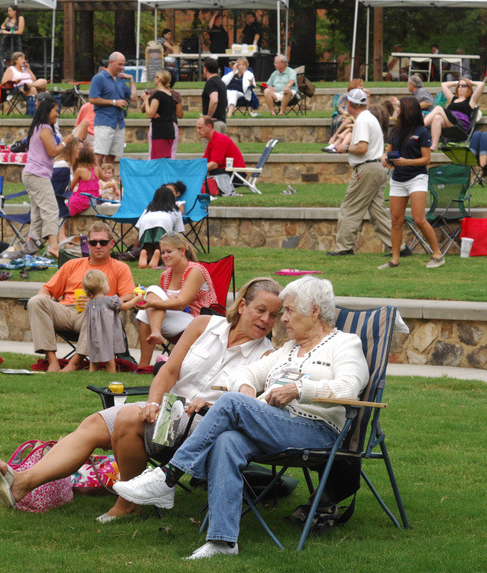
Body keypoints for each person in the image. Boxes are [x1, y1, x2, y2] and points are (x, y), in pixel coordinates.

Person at [0, 276, 282, 519]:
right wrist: (153, 402)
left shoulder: (267, 356)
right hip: (169, 409)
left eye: (274, 315)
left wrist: (210, 405)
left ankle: (128, 502)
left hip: (204, 426)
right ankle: (21, 483)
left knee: (128, 418)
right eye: (261, 310)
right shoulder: (204, 325)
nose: (266, 319)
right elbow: (168, 371)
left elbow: (248, 407)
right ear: (241, 305)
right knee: (94, 424)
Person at [112, 275, 366, 560]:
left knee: (232, 403)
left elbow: (349, 387)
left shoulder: (344, 344)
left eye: (289, 310)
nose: (282, 318)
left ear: (315, 311)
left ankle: (168, 476)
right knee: (228, 441)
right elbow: (242, 374)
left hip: (317, 431)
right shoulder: (289, 349)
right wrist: (246, 387)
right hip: (275, 424)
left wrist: (299, 388)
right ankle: (223, 541)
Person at [24, 221, 136, 371]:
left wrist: (100, 301)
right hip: (65, 312)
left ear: (111, 244)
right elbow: (46, 289)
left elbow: (128, 296)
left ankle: (74, 363)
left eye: (103, 242)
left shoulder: (120, 268)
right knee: (35, 301)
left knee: (96, 311)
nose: (98, 246)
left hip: (92, 315)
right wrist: (44, 296)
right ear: (88, 244)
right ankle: (52, 361)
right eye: (93, 242)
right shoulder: (72, 265)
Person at [327, 88, 393, 258]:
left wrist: (344, 148)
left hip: (367, 169)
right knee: (378, 214)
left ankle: (344, 248)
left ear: (349, 104)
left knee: (349, 209)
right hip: (377, 168)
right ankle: (399, 247)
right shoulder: (369, 117)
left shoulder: (362, 120)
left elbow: (362, 148)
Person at [135, 233, 217, 368]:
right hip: (180, 322)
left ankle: (155, 335)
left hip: (200, 322)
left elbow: (181, 304)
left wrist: (152, 303)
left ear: (182, 251)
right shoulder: (165, 276)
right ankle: (143, 366)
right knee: (145, 311)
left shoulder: (195, 270)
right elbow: (163, 303)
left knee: (151, 297)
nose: (165, 255)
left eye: (169, 251)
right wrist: (160, 301)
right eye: (163, 252)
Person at [17, 97, 63, 257]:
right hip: (37, 175)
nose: (58, 114)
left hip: (31, 174)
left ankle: (30, 249)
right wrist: (67, 141)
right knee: (51, 209)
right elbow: (53, 152)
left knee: (37, 215)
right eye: (56, 111)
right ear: (47, 111)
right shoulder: (45, 129)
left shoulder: (37, 127)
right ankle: (54, 246)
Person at [88, 51, 136, 165]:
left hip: (119, 123)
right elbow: (92, 99)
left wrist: (131, 80)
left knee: (111, 158)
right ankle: (94, 177)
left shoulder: (120, 80)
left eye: (123, 65)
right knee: (99, 156)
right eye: (119, 64)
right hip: (104, 122)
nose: (122, 67)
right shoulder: (99, 78)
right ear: (111, 62)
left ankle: (107, 177)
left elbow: (134, 97)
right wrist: (114, 102)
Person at [423, 78, 485, 149]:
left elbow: (481, 84)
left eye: (463, 85)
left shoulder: (471, 100)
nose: (460, 87)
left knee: (438, 108)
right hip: (450, 121)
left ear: (469, 88)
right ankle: (434, 145)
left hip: (460, 124)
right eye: (459, 85)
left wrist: (470, 82)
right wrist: (457, 82)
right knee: (437, 118)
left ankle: (419, 126)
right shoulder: (453, 99)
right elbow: (444, 85)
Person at [81, 269, 123, 374]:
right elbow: (125, 306)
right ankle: (112, 375)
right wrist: (137, 300)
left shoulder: (88, 304)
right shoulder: (109, 301)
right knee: (110, 357)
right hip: (108, 334)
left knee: (94, 356)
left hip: (94, 336)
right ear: (102, 286)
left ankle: (91, 374)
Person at [136, 185, 184, 269]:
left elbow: (138, 225)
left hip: (146, 223)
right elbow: (179, 231)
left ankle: (146, 255)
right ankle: (158, 257)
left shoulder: (148, 209)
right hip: (164, 223)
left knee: (148, 246)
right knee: (160, 245)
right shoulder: (175, 210)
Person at [139, 69, 180, 159]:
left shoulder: (158, 94)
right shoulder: (169, 94)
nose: (154, 79)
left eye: (155, 77)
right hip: (169, 130)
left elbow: (150, 114)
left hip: (160, 132)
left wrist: (146, 100)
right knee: (166, 158)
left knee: (157, 160)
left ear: (159, 79)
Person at [66, 143, 99, 217]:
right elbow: (104, 177)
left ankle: (61, 224)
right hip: (93, 200)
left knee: (62, 209)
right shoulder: (96, 169)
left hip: (83, 200)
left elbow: (71, 187)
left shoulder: (80, 170)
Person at [201, 58, 228, 133]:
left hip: (214, 124)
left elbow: (214, 100)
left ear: (205, 69)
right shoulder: (221, 83)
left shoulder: (211, 83)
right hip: (222, 122)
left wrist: (208, 118)